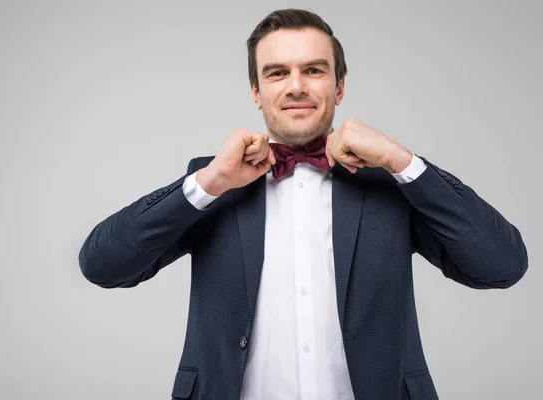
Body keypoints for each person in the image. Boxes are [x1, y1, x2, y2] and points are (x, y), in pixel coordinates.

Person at [77, 8, 528, 400]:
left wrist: (402, 160)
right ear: (255, 91)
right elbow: (102, 265)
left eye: (314, 70)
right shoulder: (214, 180)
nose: (296, 86)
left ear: (340, 86)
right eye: (276, 73)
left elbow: (502, 264)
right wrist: (209, 182)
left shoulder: (392, 183)